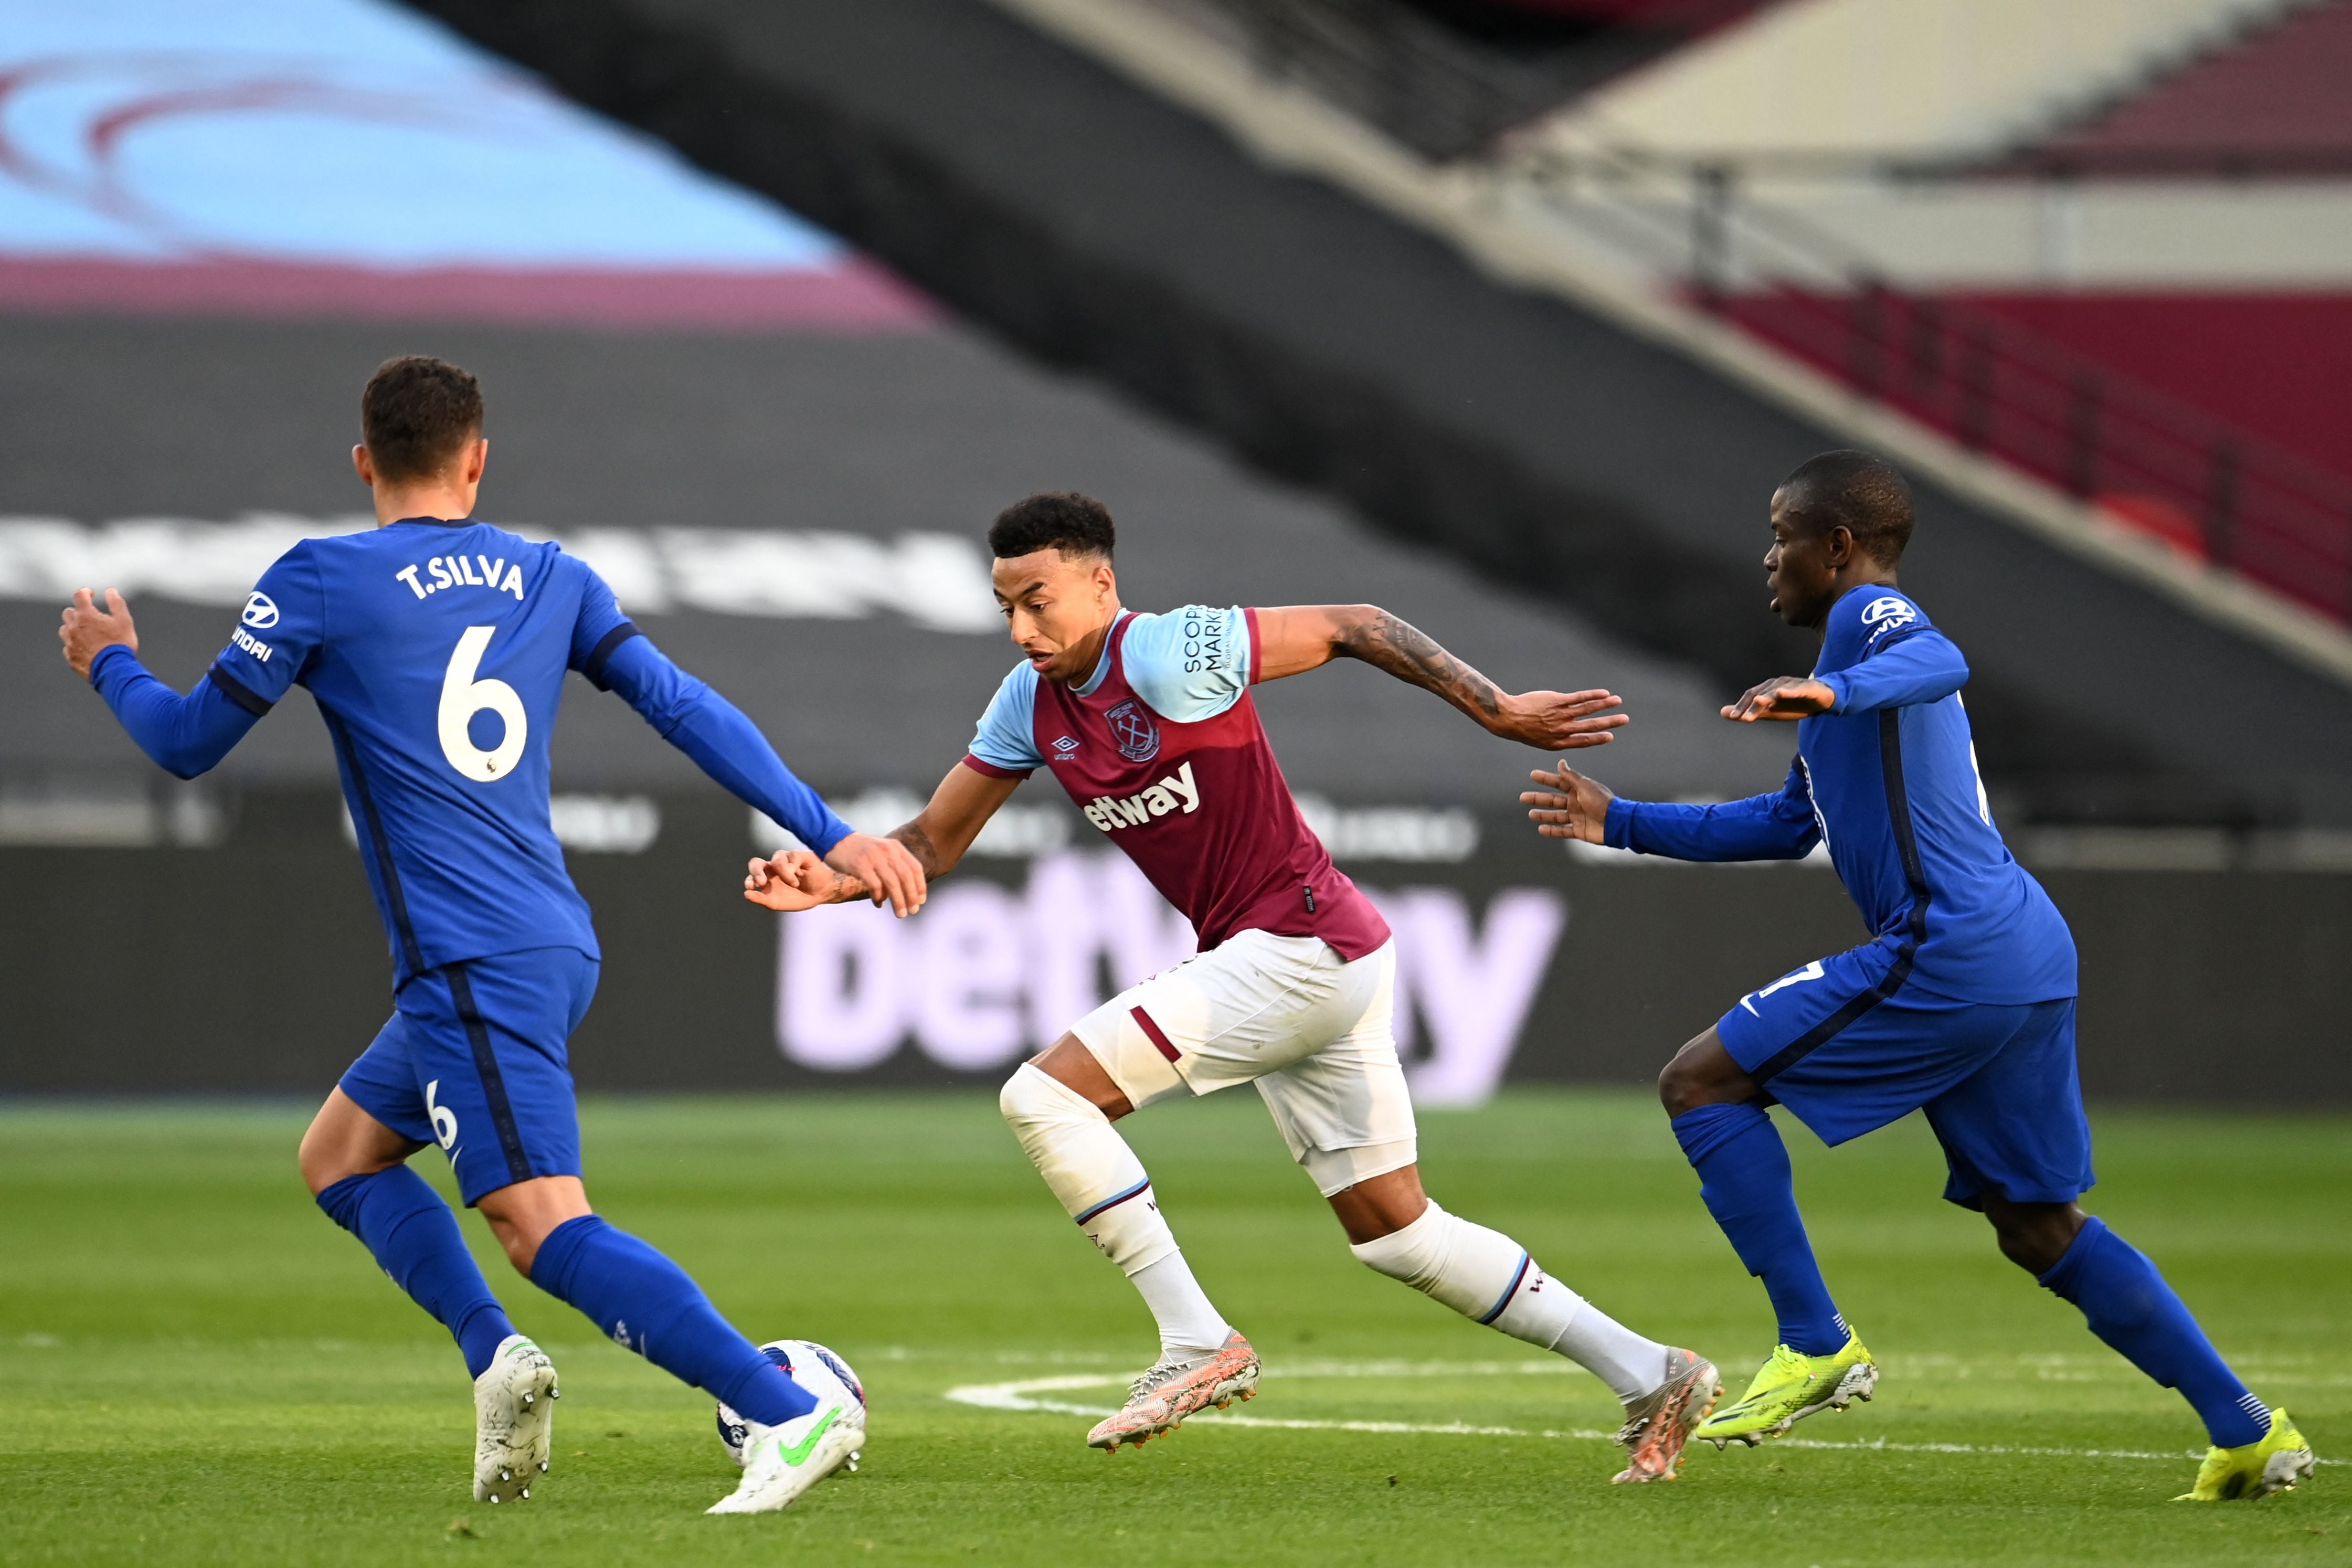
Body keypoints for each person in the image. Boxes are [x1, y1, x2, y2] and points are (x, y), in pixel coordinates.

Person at [57, 356, 925, 1515]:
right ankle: (497, 1360)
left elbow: (181, 742)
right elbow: (681, 705)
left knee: (537, 1224)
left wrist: (108, 660)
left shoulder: (318, 579)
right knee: (342, 1158)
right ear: (478, 459)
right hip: (542, 943)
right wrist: (828, 829)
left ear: (365, 461)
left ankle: (783, 1406)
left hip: (474, 958)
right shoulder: (550, 576)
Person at [745, 490, 1721, 1484]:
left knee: (1042, 1096)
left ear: (1100, 583)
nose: (1021, 627)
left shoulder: (1170, 652)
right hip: (1317, 953)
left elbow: (1357, 625)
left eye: (1039, 601)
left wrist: (1499, 708)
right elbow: (932, 842)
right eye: (1005, 606)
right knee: (1396, 1233)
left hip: (1295, 943)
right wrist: (832, 875)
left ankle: (1194, 1340)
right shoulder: (1026, 704)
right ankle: (1653, 1373)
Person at [1520, 450, 2316, 1502]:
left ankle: (1815, 1344)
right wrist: (1619, 820)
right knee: (2037, 1227)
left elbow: (1939, 656)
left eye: (1780, 535)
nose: (1767, 558)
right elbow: (1788, 822)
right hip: (2025, 949)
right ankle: (2248, 1430)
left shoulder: (1869, 624)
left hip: (1950, 946)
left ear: (1838, 548)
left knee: (1701, 1082)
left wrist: (1833, 684)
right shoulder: (1840, 692)